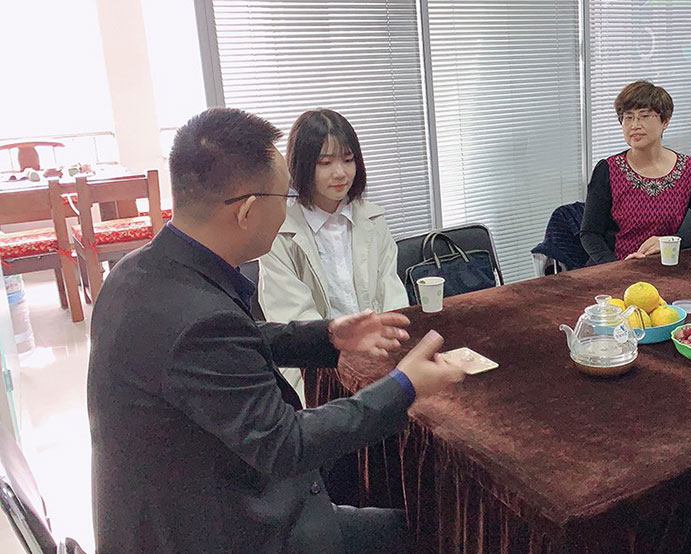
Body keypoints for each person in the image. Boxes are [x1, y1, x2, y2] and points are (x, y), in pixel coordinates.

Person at [87, 107, 465, 554]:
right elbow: (287, 444)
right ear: (248, 211)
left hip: (186, 505)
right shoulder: (198, 318)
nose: (290, 209)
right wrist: (404, 386)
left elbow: (233, 342)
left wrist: (327, 335)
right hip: (223, 528)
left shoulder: (140, 270)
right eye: (284, 197)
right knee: (430, 533)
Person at [257, 108, 412, 506]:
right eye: (324, 163)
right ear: (302, 166)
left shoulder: (372, 219)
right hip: (320, 374)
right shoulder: (279, 232)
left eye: (347, 159)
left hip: (379, 362)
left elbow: (392, 299)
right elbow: (295, 323)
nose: (340, 173)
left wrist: (388, 355)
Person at [579, 80, 691, 265]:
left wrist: (670, 242)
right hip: (614, 265)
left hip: (664, 266)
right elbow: (590, 233)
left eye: (644, 116)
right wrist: (617, 267)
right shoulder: (608, 170)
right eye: (628, 117)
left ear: (665, 121)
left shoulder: (689, 170)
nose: (635, 125)